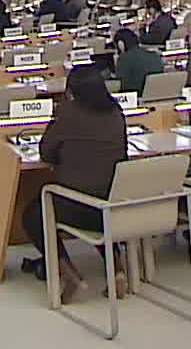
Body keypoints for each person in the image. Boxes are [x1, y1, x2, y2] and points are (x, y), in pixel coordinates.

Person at [17, 65, 129, 300]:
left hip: (79, 206)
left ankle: (71, 276)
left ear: (72, 91)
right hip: (112, 203)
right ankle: (118, 270)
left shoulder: (68, 112)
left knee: (33, 214)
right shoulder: (116, 112)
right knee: (98, 202)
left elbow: (46, 153)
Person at [112, 28, 163, 96]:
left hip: (135, 97)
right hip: (156, 95)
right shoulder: (155, 55)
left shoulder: (123, 59)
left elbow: (121, 84)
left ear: (120, 44)